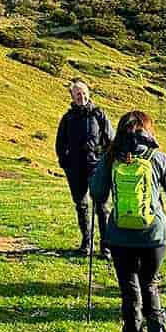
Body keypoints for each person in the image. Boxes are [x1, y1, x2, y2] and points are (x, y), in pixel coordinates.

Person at [89, 110, 166, 332]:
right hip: (154, 236)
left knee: (130, 293)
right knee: (150, 285)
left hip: (120, 236)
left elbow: (97, 193)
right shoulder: (158, 157)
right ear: (147, 130)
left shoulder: (110, 157)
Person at [55, 79, 114, 257]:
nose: (82, 97)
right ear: (72, 97)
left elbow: (110, 140)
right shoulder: (68, 118)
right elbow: (60, 143)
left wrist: (104, 160)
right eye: (78, 94)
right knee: (81, 206)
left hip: (96, 167)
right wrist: (65, 162)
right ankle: (86, 243)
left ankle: (106, 246)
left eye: (84, 93)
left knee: (102, 206)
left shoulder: (99, 114)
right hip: (75, 169)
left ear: (89, 94)